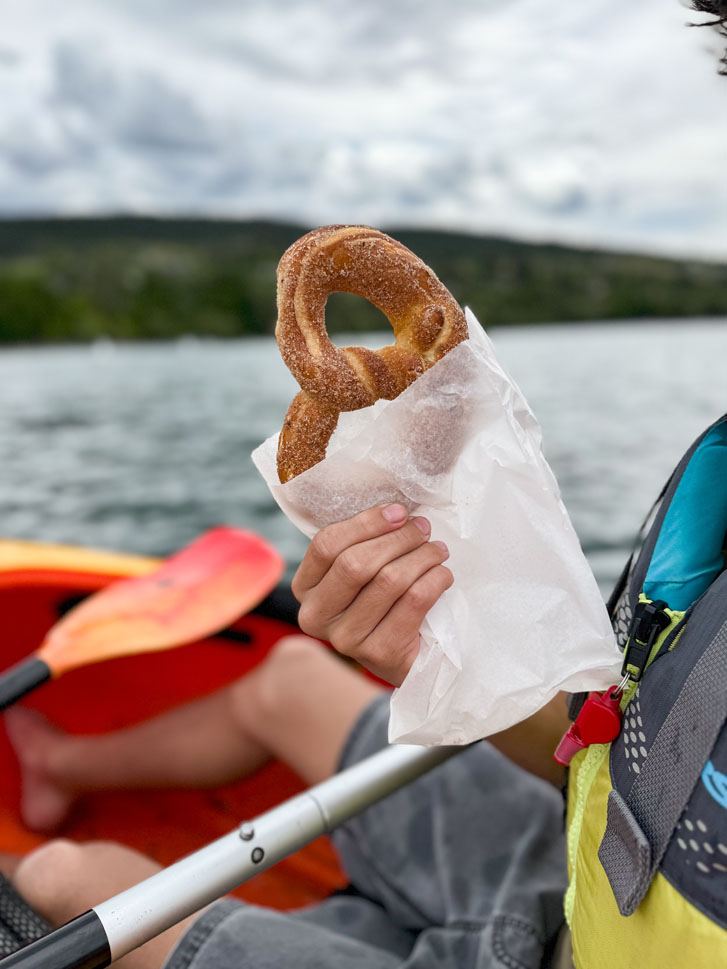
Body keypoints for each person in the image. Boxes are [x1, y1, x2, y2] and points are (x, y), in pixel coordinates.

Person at [2, 504, 572, 969]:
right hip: (570, 841)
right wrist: (458, 668)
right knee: (291, 677)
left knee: (61, 878)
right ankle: (59, 765)